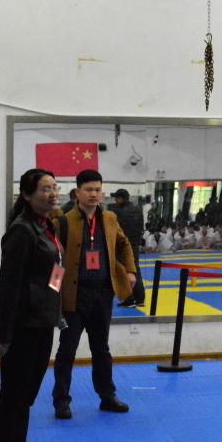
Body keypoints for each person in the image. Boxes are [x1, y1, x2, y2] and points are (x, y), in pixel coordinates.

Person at [0, 169, 64, 442]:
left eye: (54, 187)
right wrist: (5, 334)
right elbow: (8, 284)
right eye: (45, 189)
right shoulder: (21, 230)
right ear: (27, 195)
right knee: (13, 398)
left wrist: (56, 311)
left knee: (26, 397)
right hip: (22, 325)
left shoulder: (48, 226)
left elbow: (56, 272)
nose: (52, 194)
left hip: (42, 322)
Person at [52, 169, 137, 419]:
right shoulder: (63, 222)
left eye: (97, 190)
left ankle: (107, 396)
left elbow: (124, 244)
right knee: (67, 350)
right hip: (74, 296)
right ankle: (61, 400)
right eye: (88, 189)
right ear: (77, 192)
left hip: (102, 294)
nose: (93, 194)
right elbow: (55, 260)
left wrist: (130, 271)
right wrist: (54, 293)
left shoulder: (109, 218)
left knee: (101, 349)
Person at [110, 189, 146, 307]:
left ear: (121, 198)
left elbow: (116, 231)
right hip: (134, 245)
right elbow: (141, 228)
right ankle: (140, 298)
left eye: (116, 198)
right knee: (135, 270)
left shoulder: (117, 212)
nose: (115, 200)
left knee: (123, 272)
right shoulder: (137, 210)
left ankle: (129, 298)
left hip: (123, 246)